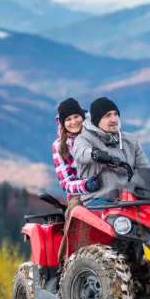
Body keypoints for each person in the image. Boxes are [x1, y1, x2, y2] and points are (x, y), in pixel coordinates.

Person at [72, 96, 149, 206]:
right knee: (113, 221)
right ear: (97, 120)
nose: (114, 119)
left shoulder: (129, 140)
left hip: (129, 199)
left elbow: (144, 168)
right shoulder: (84, 139)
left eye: (115, 114)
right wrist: (94, 154)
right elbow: (81, 153)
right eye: (107, 116)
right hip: (98, 199)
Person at [52, 97, 101, 230]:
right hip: (80, 193)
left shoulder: (97, 133)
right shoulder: (59, 146)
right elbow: (66, 182)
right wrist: (86, 185)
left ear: (82, 116)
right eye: (68, 119)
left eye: (76, 116)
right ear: (63, 123)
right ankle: (70, 250)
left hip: (107, 185)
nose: (73, 122)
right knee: (75, 211)